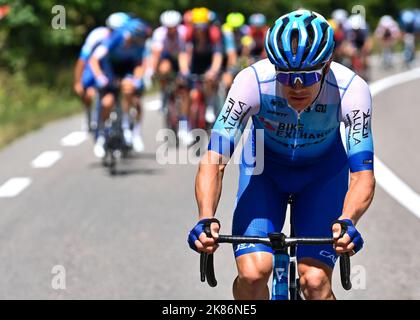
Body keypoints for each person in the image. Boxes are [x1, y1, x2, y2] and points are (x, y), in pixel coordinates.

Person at [188, 9, 375, 300]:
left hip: (322, 176)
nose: (296, 87)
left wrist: (348, 220)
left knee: (315, 282)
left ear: (327, 67)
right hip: (265, 172)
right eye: (286, 77)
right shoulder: (251, 82)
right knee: (252, 274)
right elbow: (215, 159)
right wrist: (205, 218)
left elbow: (362, 173)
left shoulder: (351, 90)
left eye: (307, 76)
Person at [89, 18, 149, 157]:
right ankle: (102, 136)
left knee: (131, 93)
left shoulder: (139, 45)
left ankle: (130, 130)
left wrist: (137, 79)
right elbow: (94, 59)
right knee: (106, 103)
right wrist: (99, 77)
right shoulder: (115, 38)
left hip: (128, 70)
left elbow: (140, 64)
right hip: (110, 70)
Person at [73, 12, 130, 131]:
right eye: (112, 30)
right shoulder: (96, 36)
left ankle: (124, 120)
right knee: (89, 93)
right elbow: (83, 60)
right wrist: (78, 82)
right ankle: (90, 115)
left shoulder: (127, 39)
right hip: (95, 64)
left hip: (113, 67)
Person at [185, 7, 224, 129]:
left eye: (202, 26)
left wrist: (213, 71)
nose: (199, 30)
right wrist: (185, 70)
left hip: (209, 63)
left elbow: (217, 56)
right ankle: (190, 125)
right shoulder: (190, 36)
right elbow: (186, 54)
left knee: (209, 80)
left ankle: (210, 105)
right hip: (196, 64)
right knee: (192, 95)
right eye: (197, 26)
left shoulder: (214, 35)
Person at [149, 10, 190, 122]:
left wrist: (185, 71)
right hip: (166, 58)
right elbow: (156, 54)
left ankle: (183, 120)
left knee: (183, 86)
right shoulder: (159, 33)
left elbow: (184, 54)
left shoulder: (183, 32)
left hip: (180, 58)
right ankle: (164, 93)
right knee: (164, 69)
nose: (171, 30)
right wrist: (152, 70)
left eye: (173, 27)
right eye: (168, 27)